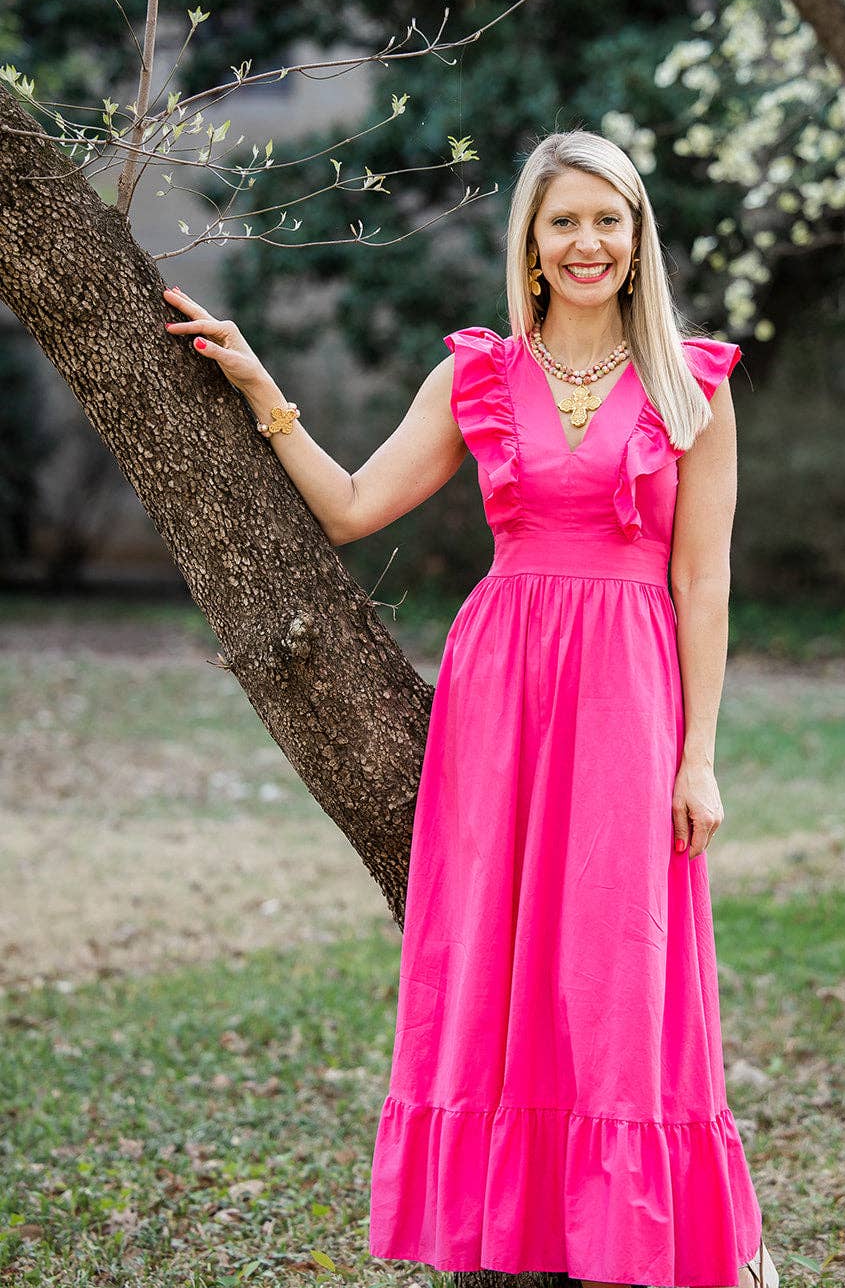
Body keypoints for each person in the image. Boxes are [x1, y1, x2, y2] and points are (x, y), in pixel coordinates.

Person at [162, 129, 777, 1288]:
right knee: (494, 953)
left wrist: (699, 757)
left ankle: (628, 1233)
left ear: (637, 238)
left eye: (609, 219)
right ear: (531, 246)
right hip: (501, 696)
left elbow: (702, 578)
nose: (586, 241)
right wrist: (259, 386)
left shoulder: (691, 386)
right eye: (563, 222)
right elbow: (350, 508)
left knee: (615, 961)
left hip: (631, 694)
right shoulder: (477, 375)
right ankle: (513, 1221)